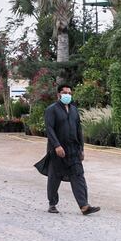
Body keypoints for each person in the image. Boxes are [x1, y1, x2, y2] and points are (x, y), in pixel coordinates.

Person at [42, 84, 100, 216]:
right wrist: (56, 145)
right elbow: (49, 129)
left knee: (78, 175)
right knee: (54, 177)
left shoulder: (74, 110)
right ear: (58, 95)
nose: (67, 95)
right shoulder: (51, 110)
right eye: (64, 92)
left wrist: (82, 148)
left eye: (69, 93)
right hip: (57, 150)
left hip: (73, 149)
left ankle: (84, 206)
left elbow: (79, 130)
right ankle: (52, 203)